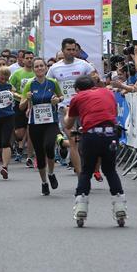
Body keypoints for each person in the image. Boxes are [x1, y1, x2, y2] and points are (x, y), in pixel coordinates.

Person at [65, 75, 126, 227]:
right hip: (110, 134)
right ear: (93, 85)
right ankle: (119, 207)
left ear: (77, 89)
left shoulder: (78, 97)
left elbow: (68, 123)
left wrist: (67, 112)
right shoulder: (107, 93)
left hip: (91, 135)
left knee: (86, 170)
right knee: (110, 170)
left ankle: (81, 208)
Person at [48, 38, 95, 172]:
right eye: (68, 50)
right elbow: (49, 87)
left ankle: (80, 162)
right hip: (65, 108)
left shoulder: (84, 65)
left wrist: (94, 79)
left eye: (74, 49)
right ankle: (80, 172)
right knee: (73, 140)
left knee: (85, 139)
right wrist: (55, 99)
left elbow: (95, 80)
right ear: (63, 50)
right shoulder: (54, 68)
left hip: (83, 107)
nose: (71, 52)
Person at [19, 58, 63, 195]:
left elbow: (61, 97)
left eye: (41, 66)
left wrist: (57, 100)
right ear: (33, 69)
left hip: (51, 121)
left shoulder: (53, 82)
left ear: (45, 68)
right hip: (35, 123)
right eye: (36, 66)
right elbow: (21, 106)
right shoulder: (30, 84)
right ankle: (44, 182)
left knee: (49, 146)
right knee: (39, 153)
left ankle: (51, 173)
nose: (39, 68)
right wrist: (27, 98)